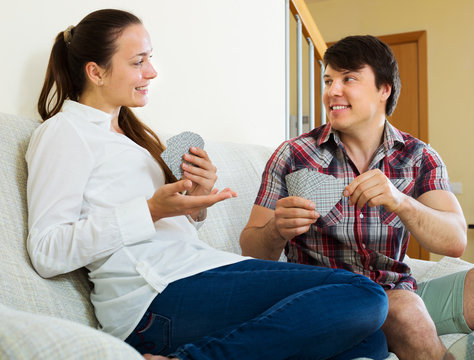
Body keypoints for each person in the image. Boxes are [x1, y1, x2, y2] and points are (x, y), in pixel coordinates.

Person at [26, 10, 389, 360]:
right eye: (138, 62)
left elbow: (162, 231)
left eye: (150, 59)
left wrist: (196, 200)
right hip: (154, 299)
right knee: (365, 295)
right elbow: (47, 252)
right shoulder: (63, 132)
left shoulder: (131, 137)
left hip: (192, 273)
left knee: (369, 341)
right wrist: (151, 209)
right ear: (96, 72)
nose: (151, 72)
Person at [240, 35, 473, 360]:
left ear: (384, 89)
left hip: (398, 288)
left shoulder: (418, 157)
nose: (332, 90)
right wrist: (276, 229)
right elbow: (251, 251)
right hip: (332, 300)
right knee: (408, 311)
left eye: (348, 78)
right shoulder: (293, 155)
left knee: (417, 300)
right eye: (328, 80)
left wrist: (400, 200)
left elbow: (454, 241)